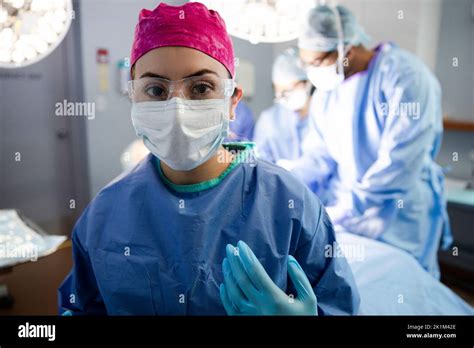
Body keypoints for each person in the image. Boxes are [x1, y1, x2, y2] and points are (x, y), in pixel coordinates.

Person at [58, 2, 359, 315]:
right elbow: (80, 307)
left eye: (201, 87)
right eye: (156, 90)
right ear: (133, 97)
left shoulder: (290, 204)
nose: (177, 107)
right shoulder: (106, 214)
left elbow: (338, 304)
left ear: (232, 102)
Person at [283, 4, 451, 278]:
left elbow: (401, 161)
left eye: (315, 63)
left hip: (398, 212)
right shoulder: (328, 94)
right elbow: (318, 156)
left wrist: (350, 208)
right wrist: (284, 180)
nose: (312, 73)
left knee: (404, 291)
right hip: (349, 213)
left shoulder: (405, 76)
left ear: (346, 50)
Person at [254, 47, 314, 164]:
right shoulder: (269, 120)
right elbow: (259, 161)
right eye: (279, 93)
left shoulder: (323, 115)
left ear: (307, 82)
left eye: (287, 91)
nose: (283, 98)